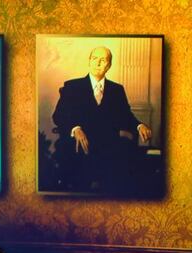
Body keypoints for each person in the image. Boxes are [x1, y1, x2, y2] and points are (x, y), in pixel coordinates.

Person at [51, 46, 152, 193]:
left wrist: (139, 125)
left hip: (108, 150)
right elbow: (58, 115)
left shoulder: (117, 90)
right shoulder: (72, 87)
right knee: (77, 186)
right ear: (89, 61)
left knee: (122, 182)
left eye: (103, 60)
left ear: (109, 65)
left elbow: (125, 116)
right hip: (78, 148)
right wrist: (75, 128)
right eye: (95, 59)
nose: (98, 63)